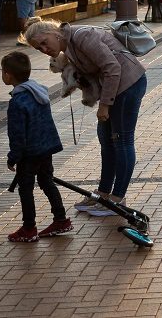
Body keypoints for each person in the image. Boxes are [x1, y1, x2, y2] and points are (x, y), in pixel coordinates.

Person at [22, 17, 147, 216]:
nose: (44, 49)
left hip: (128, 84)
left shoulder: (82, 36)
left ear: (55, 33)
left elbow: (112, 68)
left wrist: (104, 106)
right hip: (115, 88)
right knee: (106, 140)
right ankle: (103, 193)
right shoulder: (68, 45)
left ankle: (118, 199)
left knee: (121, 141)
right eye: (39, 49)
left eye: (44, 43)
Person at [2, 51, 72, 242]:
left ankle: (29, 228)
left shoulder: (17, 101)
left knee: (25, 188)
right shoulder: (39, 93)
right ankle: (60, 219)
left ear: (8, 75)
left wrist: (13, 157)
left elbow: (17, 134)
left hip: (29, 152)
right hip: (46, 147)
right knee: (47, 181)